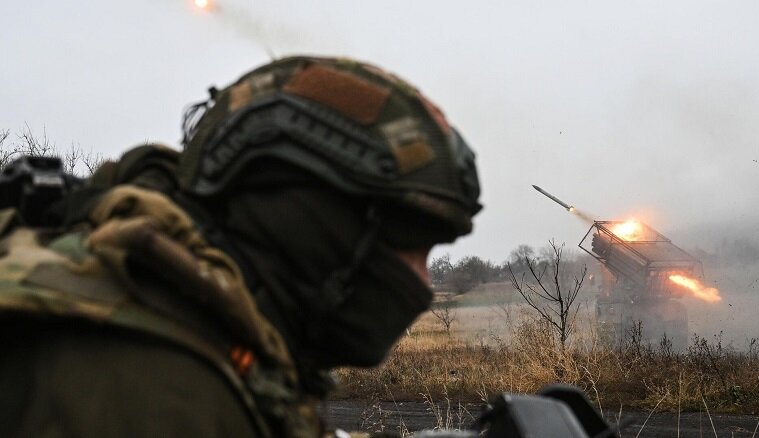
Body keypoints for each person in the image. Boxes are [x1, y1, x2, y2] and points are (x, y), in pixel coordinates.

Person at [0, 56, 481, 437]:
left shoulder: (206, 333)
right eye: (409, 245)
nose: (421, 281)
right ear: (308, 222)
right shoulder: (146, 382)